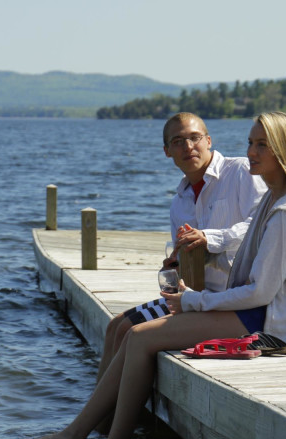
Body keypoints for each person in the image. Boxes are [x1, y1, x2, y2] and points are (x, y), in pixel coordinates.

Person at [19, 111, 286, 439]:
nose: (251, 152)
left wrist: (193, 301)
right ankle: (93, 432)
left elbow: (261, 290)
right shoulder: (272, 201)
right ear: (166, 150)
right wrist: (184, 268)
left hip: (275, 321)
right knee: (125, 330)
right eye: (250, 143)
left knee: (139, 337)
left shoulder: (284, 211)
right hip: (254, 306)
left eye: (262, 145)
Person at [96, 112, 267, 384]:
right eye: (178, 141)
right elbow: (187, 258)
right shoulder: (180, 201)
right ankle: (101, 411)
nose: (188, 147)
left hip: (231, 297)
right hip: (197, 293)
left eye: (194, 138)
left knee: (130, 329)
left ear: (209, 140)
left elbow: (259, 224)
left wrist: (210, 238)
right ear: (167, 151)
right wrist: (175, 266)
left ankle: (104, 417)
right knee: (115, 326)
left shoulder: (240, 171)